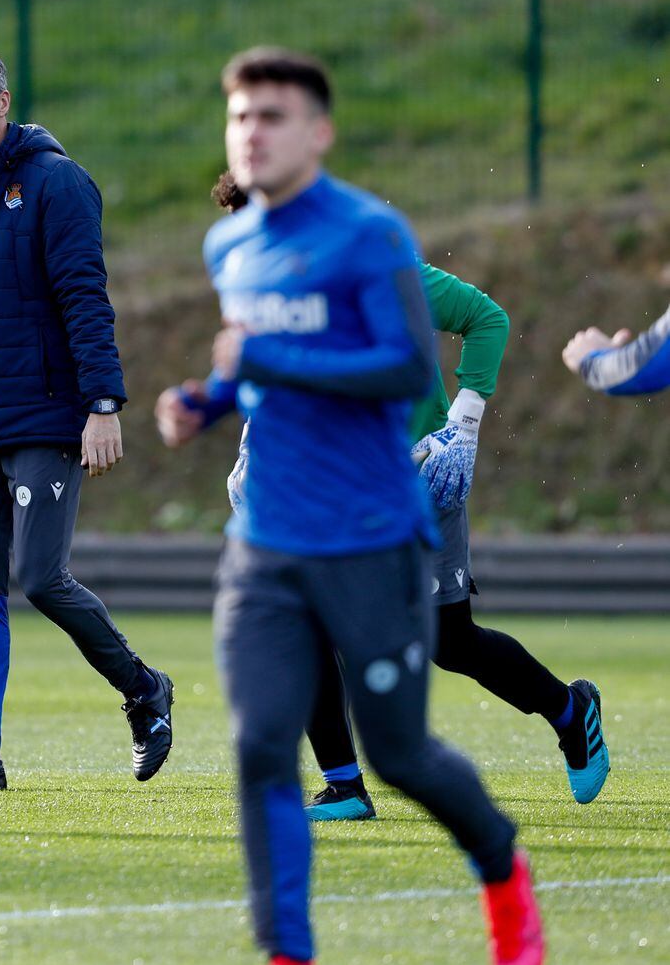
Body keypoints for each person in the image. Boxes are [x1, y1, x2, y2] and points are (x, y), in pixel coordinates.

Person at [156, 49, 542, 965]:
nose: (252, 132)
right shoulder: (231, 244)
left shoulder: (369, 236)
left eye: (273, 116)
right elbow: (258, 377)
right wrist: (205, 403)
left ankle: (501, 867)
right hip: (265, 543)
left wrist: (261, 365)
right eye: (240, 116)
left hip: (370, 536)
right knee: (260, 754)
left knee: (401, 756)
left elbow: (406, 367)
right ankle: (287, 950)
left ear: (319, 132)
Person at [208, 174, 609, 821]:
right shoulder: (258, 283)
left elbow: (487, 319)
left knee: (449, 641)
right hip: (326, 486)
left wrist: (465, 428)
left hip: (422, 480)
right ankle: (344, 785)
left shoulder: (385, 272)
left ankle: (570, 709)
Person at [0, 45, 175, 791]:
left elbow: (85, 297)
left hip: (48, 417)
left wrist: (103, 403)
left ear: (4, 97)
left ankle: (145, 688)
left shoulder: (56, 181)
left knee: (41, 576)